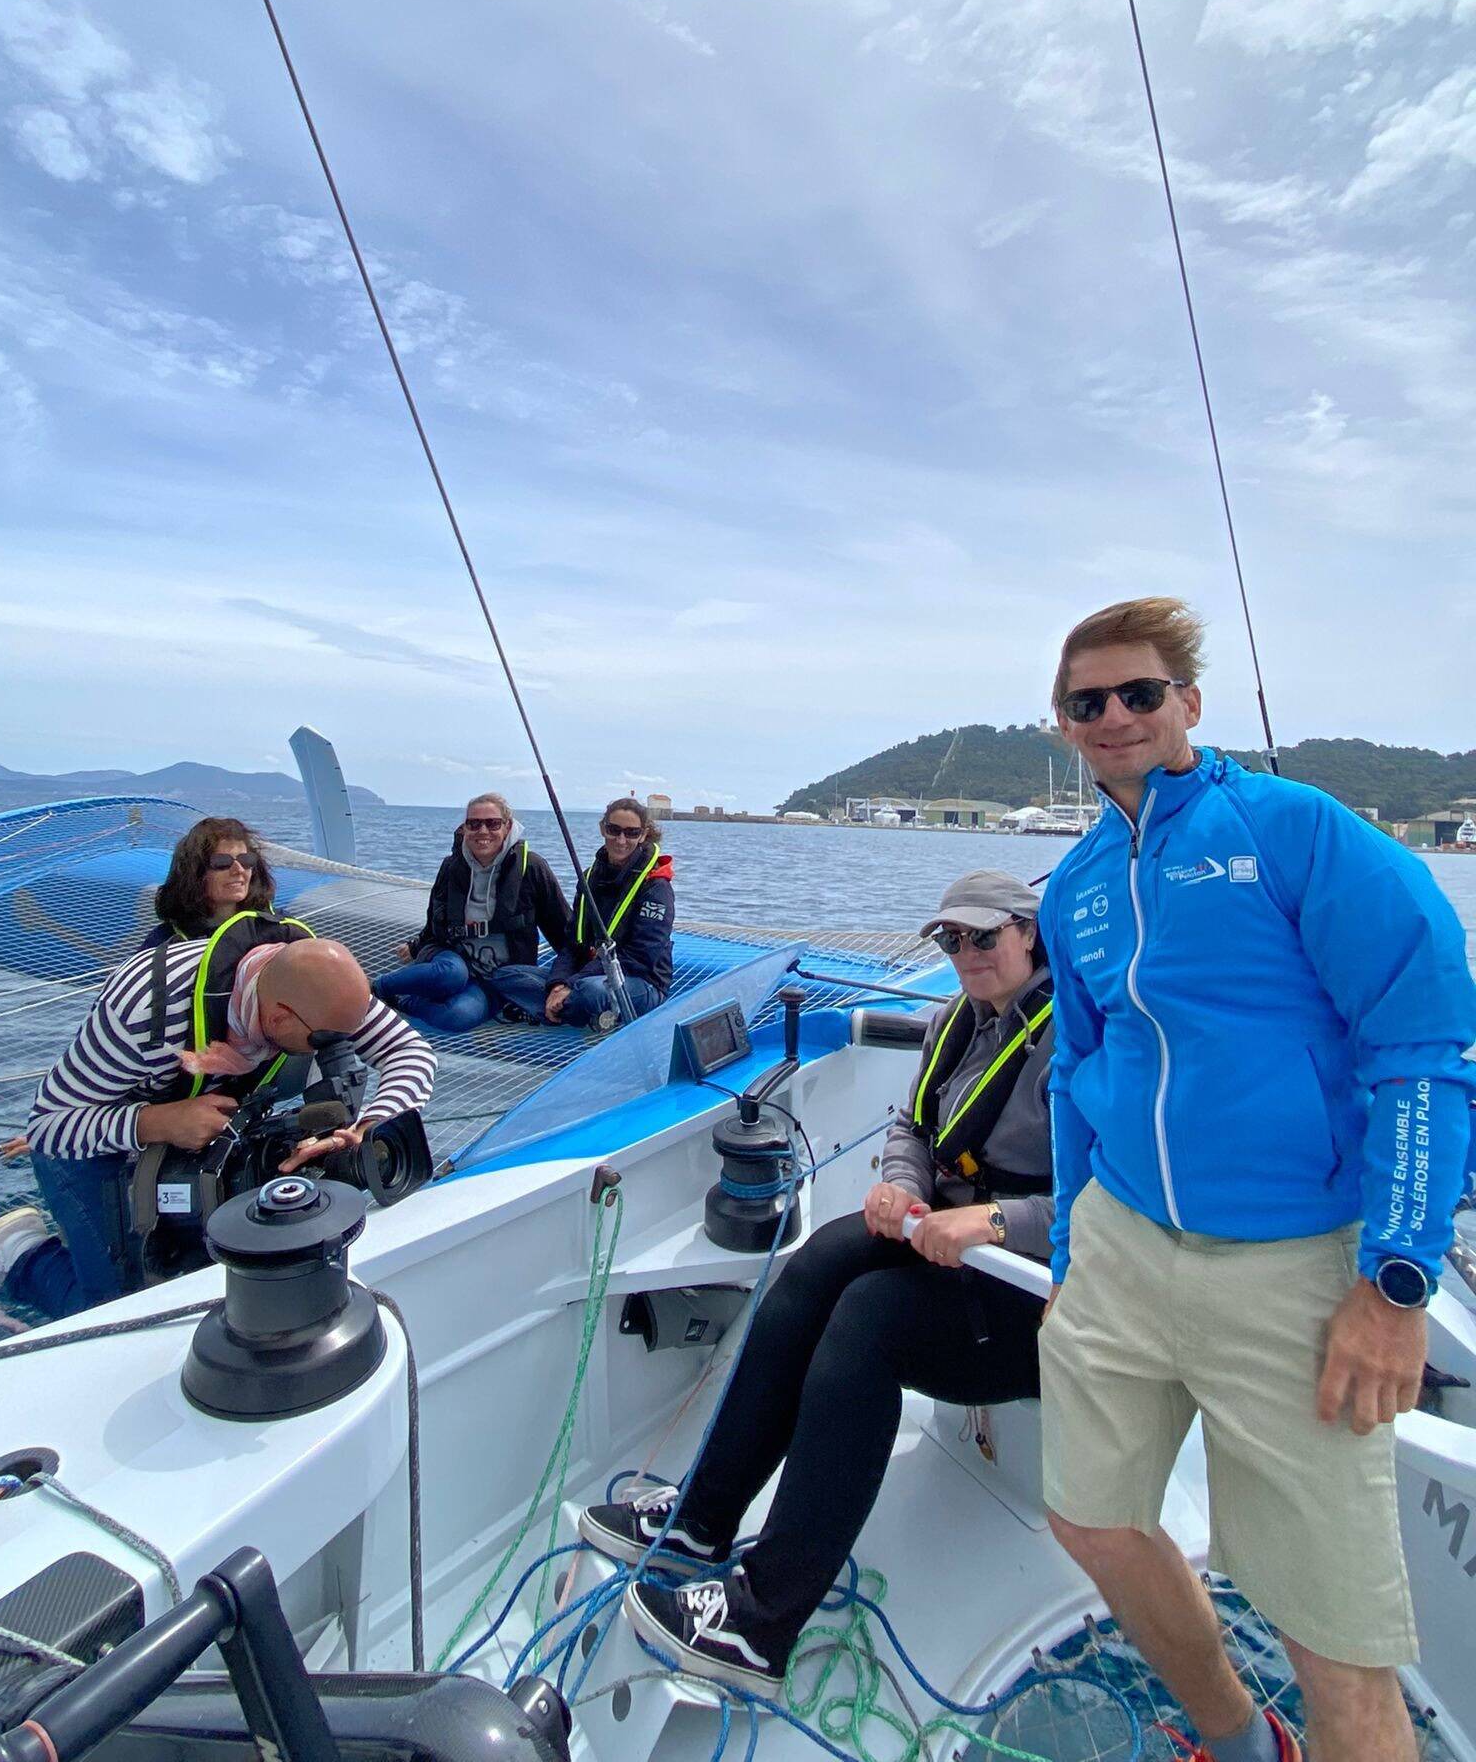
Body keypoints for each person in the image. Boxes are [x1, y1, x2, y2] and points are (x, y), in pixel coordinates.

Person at [1036, 597, 1476, 1762]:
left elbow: (1422, 1044)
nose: (1116, 714)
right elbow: (1081, 1067)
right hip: (1122, 1247)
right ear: (1067, 727)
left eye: (1140, 691)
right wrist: (1073, 1256)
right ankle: (1238, 1736)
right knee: (1088, 1514)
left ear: (1189, 701)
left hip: (1294, 1262)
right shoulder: (1072, 886)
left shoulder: (1297, 831)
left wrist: (1395, 1283)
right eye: (1090, 701)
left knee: (1338, 1640)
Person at [579, 869, 1055, 1697]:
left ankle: (760, 1625)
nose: (966, 955)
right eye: (951, 940)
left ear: (1030, 934)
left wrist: (992, 1225)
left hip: (1036, 1289)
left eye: (984, 937)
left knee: (870, 1322)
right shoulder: (959, 1020)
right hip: (942, 1238)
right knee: (820, 1263)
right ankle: (700, 1520)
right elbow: (912, 1124)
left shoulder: (1087, 1043)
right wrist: (904, 1187)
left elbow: (1118, 1202)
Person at [0, 919, 436, 1323]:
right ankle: (16, 1256)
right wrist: (156, 1122)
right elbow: (50, 1126)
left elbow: (410, 1051)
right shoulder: (145, 1009)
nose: (343, 1047)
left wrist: (370, 1125)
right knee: (113, 1312)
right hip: (94, 1140)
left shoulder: (322, 989)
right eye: (326, 1041)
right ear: (281, 1018)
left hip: (201, 1149)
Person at [372, 794, 569, 1033]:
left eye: (492, 823)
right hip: (453, 958)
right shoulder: (451, 866)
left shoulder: (532, 867)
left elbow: (563, 930)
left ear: (507, 827)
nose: (482, 831)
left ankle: (404, 1002)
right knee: (451, 974)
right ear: (465, 828)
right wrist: (415, 946)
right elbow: (434, 920)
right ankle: (373, 989)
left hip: (498, 976)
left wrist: (569, 979)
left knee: (459, 1015)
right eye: (473, 824)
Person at [544, 798, 674, 1031]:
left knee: (590, 992)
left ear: (643, 835)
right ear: (603, 829)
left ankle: (561, 1009)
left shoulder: (656, 888)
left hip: (639, 981)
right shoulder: (589, 878)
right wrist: (558, 983)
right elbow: (572, 945)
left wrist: (573, 983)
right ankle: (566, 1007)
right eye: (614, 830)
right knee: (509, 976)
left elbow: (640, 958)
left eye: (631, 833)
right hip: (589, 974)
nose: (621, 840)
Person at [143, 816, 276, 944]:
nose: (239, 870)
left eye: (246, 860)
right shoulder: (164, 941)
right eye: (222, 862)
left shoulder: (275, 927)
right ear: (195, 873)